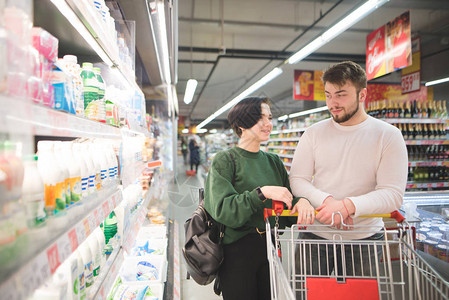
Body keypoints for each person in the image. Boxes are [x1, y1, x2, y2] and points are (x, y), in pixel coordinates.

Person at [289, 61, 408, 276]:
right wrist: (328, 202)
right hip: (315, 236)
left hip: (364, 238)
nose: (332, 103)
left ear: (362, 95)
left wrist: (347, 206)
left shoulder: (388, 136)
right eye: (328, 95)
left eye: (341, 95)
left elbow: (393, 194)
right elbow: (297, 179)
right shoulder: (313, 133)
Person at [204, 97, 315, 300]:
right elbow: (223, 211)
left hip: (270, 247)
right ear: (241, 125)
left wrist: (303, 202)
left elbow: (288, 205)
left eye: (269, 117)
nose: (268, 124)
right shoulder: (225, 160)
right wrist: (261, 193)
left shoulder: (273, 161)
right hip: (236, 251)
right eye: (259, 118)